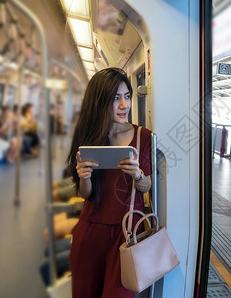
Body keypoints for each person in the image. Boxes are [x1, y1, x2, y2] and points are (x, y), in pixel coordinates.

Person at [67, 67, 152, 298]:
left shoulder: (143, 137)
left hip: (127, 233)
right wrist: (84, 177)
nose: (124, 105)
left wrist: (137, 175)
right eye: (115, 98)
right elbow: (86, 195)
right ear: (100, 101)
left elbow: (147, 186)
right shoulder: (89, 136)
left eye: (127, 96)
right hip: (90, 230)